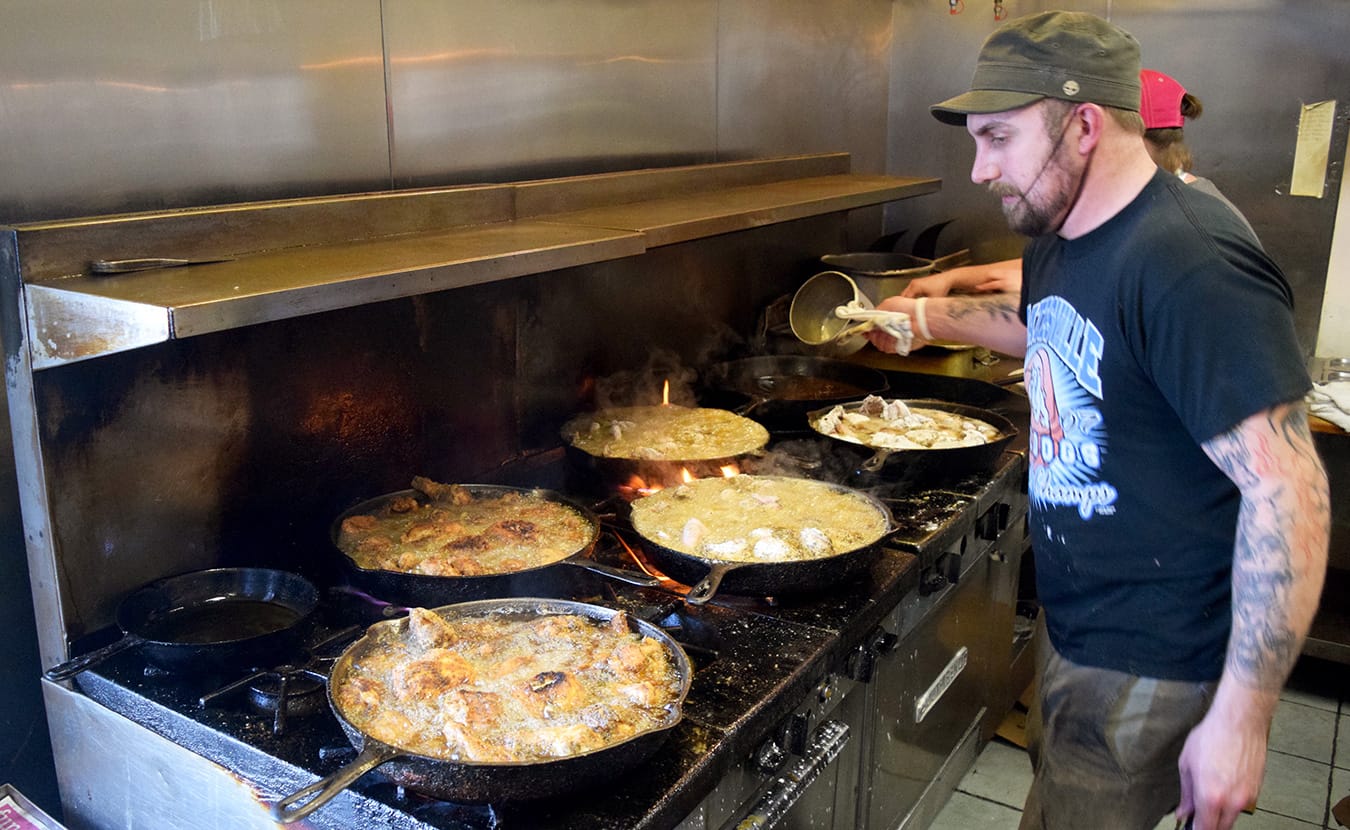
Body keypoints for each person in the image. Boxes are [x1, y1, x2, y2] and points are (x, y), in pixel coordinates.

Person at [867, 12, 1329, 830]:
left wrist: (1244, 717)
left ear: (1083, 124)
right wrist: (929, 322)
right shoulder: (1064, 229)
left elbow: (1290, 493)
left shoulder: (1192, 261)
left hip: (1152, 653)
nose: (979, 169)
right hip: (1080, 617)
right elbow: (1048, 323)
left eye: (998, 138)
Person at [903, 67, 1253, 298]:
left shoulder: (1190, 234)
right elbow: (1075, 260)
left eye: (1000, 138)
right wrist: (952, 281)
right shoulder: (1130, 212)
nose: (981, 172)